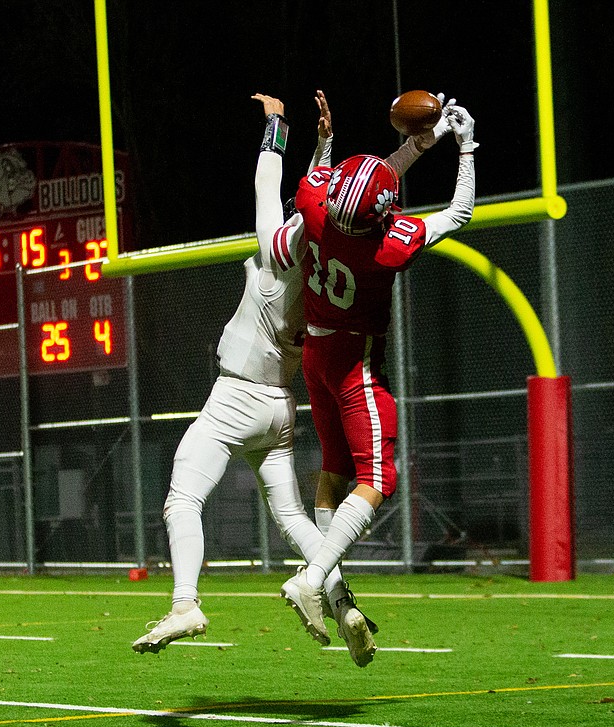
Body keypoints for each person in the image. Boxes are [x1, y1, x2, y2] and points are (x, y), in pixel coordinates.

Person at [132, 91, 380, 666]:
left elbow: (269, 183)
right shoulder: (330, 269)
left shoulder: (276, 255)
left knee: (181, 499)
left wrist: (276, 125)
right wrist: (325, 146)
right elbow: (321, 205)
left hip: (237, 397)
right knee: (291, 516)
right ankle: (342, 603)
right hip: (280, 408)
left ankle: (185, 602)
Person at [273, 100, 478, 643]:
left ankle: (338, 600)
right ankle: (314, 578)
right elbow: (460, 212)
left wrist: (402, 145)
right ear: (382, 216)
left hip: (314, 357)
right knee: (379, 478)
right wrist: (467, 146)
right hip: (354, 364)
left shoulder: (317, 211)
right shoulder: (387, 246)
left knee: (333, 472)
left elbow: (334, 179)